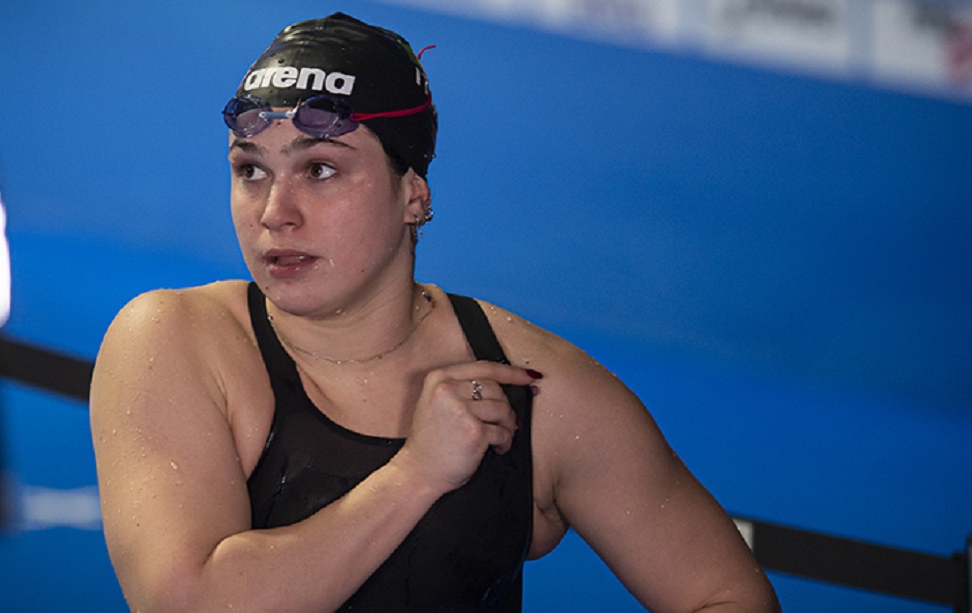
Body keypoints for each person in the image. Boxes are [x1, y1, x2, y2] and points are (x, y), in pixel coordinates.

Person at [90, 12, 780, 613]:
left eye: (321, 169)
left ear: (412, 193)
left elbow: (728, 593)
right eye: (251, 170)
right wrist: (417, 472)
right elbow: (186, 600)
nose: (276, 212)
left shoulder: (534, 389)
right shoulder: (177, 341)